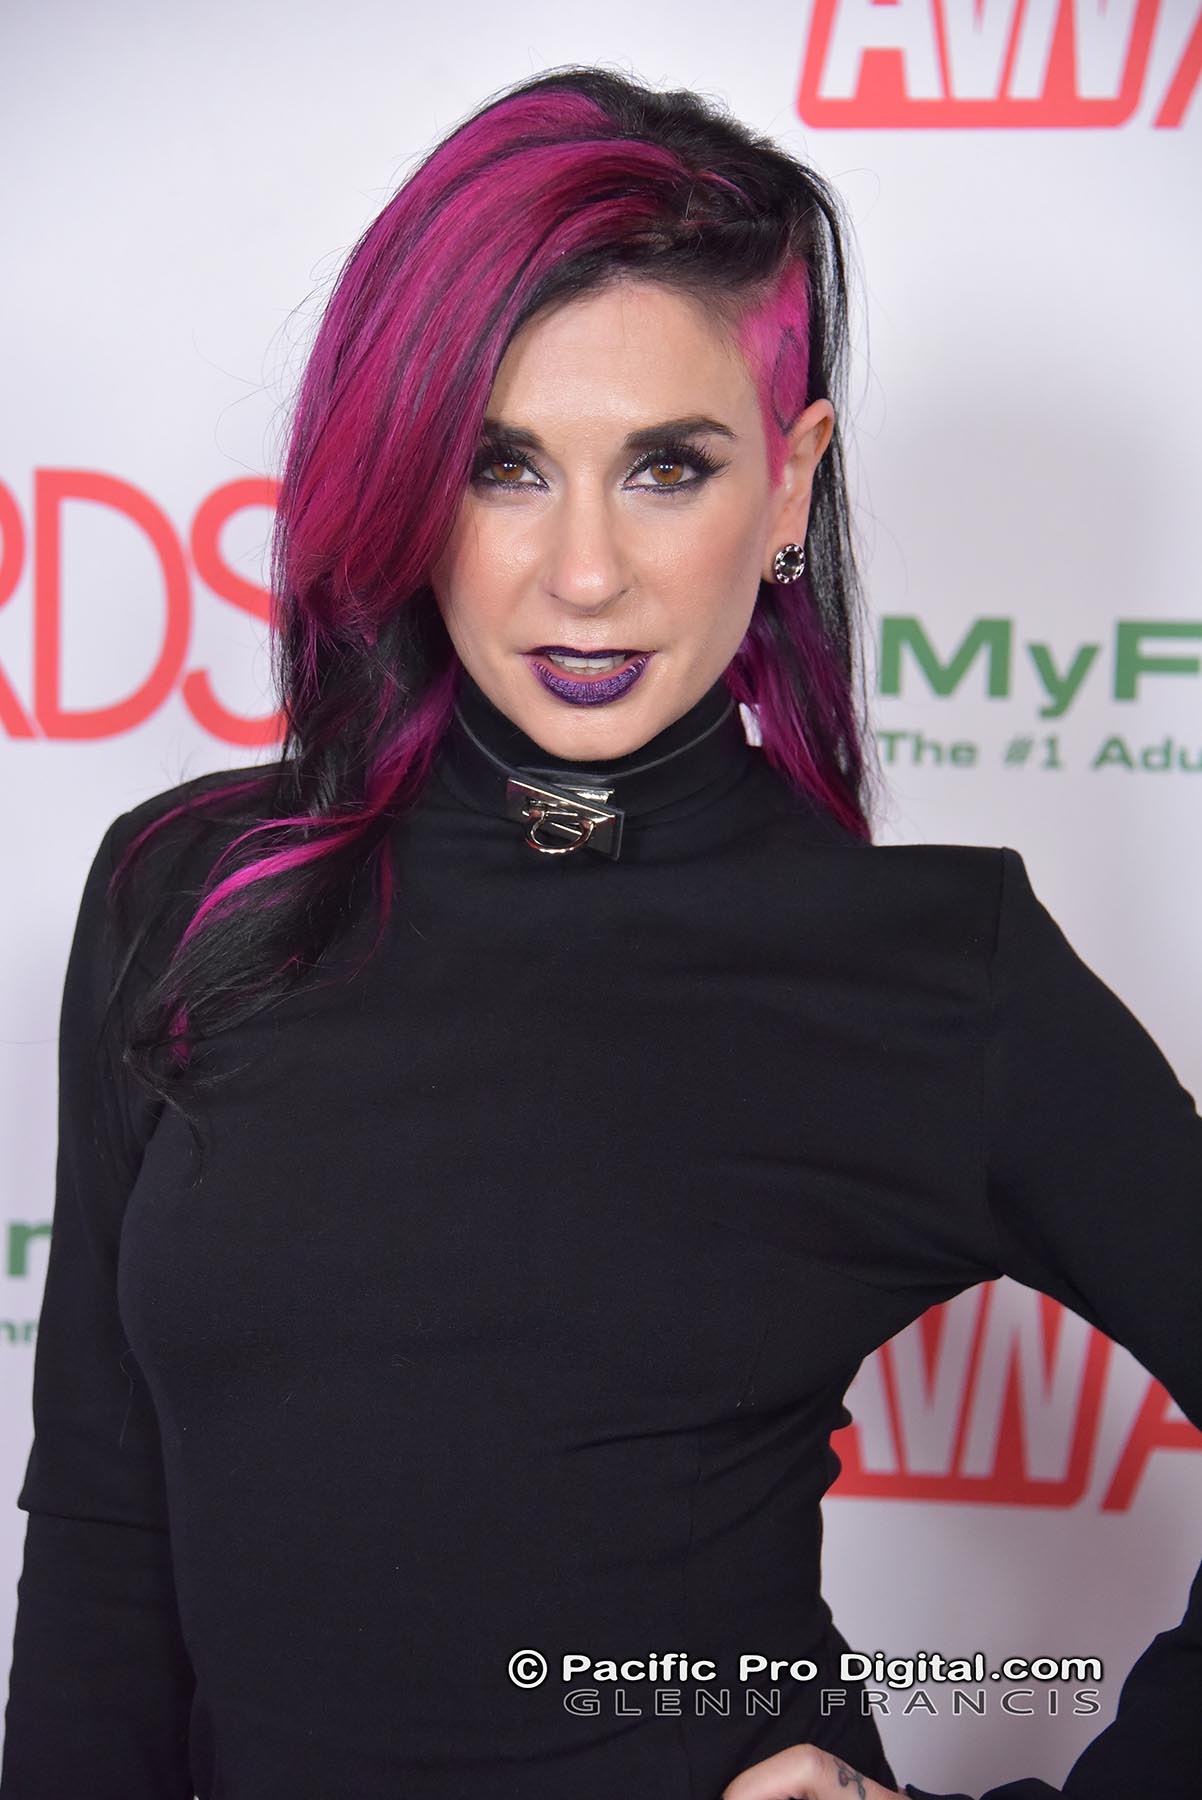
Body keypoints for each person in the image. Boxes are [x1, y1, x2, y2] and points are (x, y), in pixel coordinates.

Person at [1, 61, 1198, 1800]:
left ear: (784, 490)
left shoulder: (932, 970)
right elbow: (105, 1533)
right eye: (501, 466)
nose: (582, 575)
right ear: (406, 478)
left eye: (665, 469)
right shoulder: (190, 890)